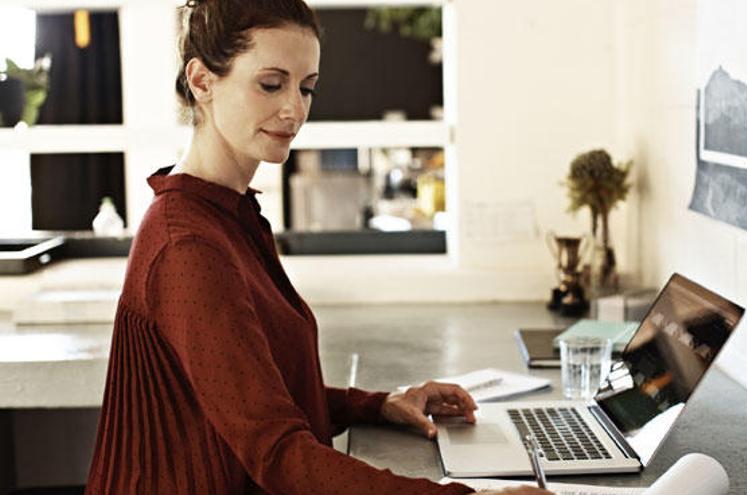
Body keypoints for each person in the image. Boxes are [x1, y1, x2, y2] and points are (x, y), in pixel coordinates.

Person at [84, 1, 551, 493]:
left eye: (306, 87)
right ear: (202, 81)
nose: (295, 109)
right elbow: (278, 454)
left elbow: (255, 393)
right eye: (271, 84)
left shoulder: (230, 215)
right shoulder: (188, 245)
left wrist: (379, 404)